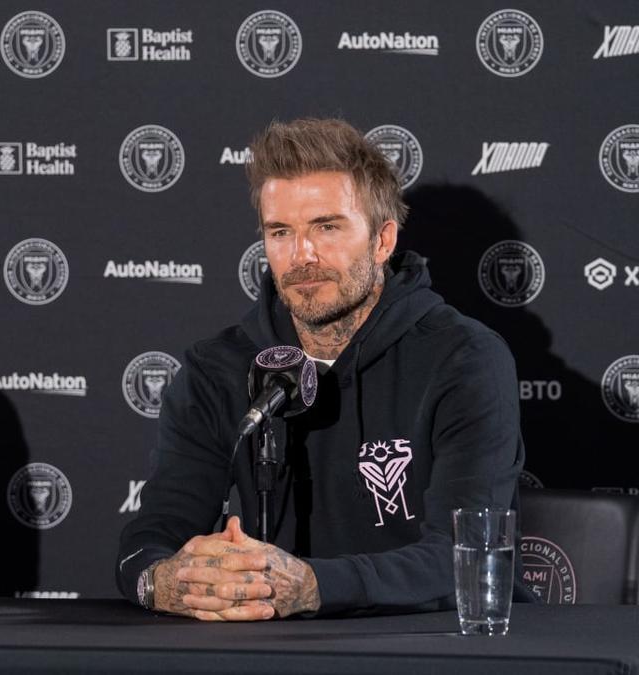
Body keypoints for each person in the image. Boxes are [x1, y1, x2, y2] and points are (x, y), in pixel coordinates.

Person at [116, 118, 528, 619]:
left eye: (326, 227)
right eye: (281, 232)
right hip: (270, 650)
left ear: (382, 241)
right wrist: (166, 581)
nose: (301, 255)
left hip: (427, 645)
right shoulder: (218, 368)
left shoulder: (463, 359)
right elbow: (152, 538)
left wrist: (314, 585)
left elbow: (465, 554)